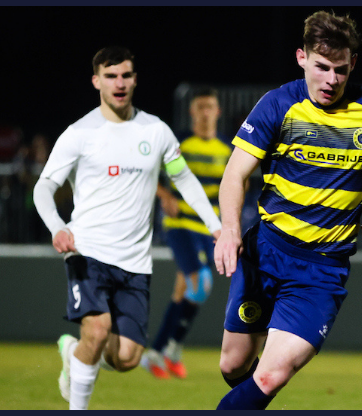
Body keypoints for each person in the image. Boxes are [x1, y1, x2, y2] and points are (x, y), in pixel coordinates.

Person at [212, 10, 362, 410]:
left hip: (321, 271)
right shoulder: (278, 105)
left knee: (270, 377)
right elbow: (234, 175)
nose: (332, 79)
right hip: (265, 253)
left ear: (353, 63)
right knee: (234, 366)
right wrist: (230, 229)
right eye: (322, 67)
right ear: (301, 58)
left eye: (341, 69)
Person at [33, 46, 221, 410]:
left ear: (135, 80)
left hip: (134, 262)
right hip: (87, 251)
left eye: (125, 75)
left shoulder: (156, 131)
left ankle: (73, 353)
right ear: (96, 81)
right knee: (97, 329)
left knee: (127, 358)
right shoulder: (79, 133)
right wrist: (57, 227)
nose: (119, 83)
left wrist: (216, 226)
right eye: (110, 76)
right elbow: (44, 187)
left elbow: (183, 179)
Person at [140, 88, 233, 379]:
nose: (205, 112)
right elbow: (146, 171)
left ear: (217, 112)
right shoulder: (179, 142)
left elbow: (232, 188)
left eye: (210, 107)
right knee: (201, 282)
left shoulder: (226, 149)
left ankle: (157, 352)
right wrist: (164, 195)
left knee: (186, 290)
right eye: (200, 107)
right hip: (179, 224)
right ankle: (173, 348)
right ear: (192, 112)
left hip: (207, 228)